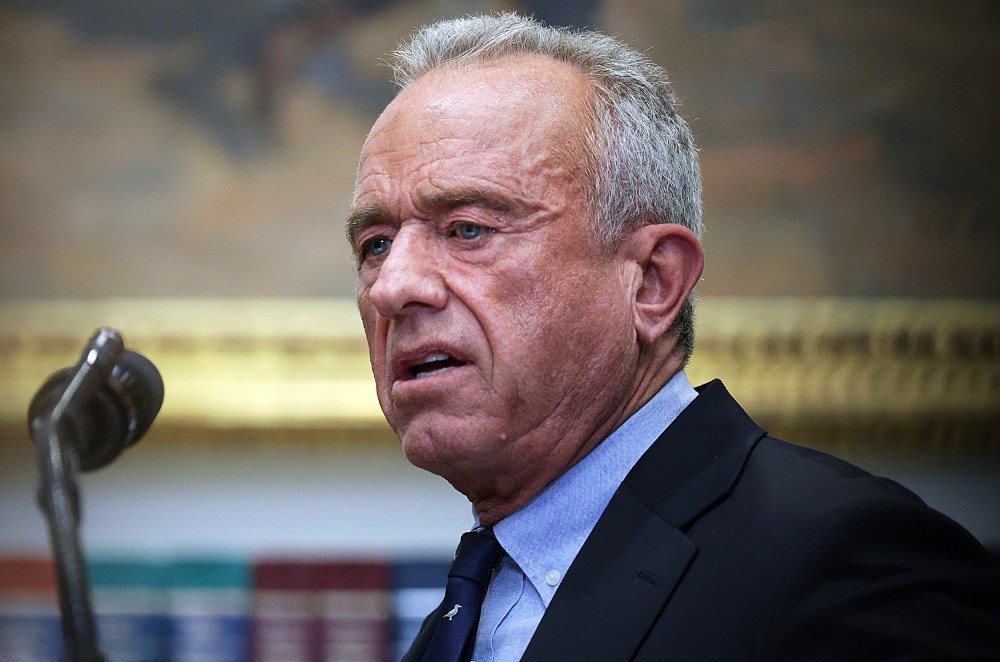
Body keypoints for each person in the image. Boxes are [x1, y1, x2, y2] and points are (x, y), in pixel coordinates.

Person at [345, 13, 1000, 661]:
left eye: (468, 229)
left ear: (653, 282)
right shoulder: (463, 614)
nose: (391, 287)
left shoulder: (846, 560)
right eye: (375, 245)